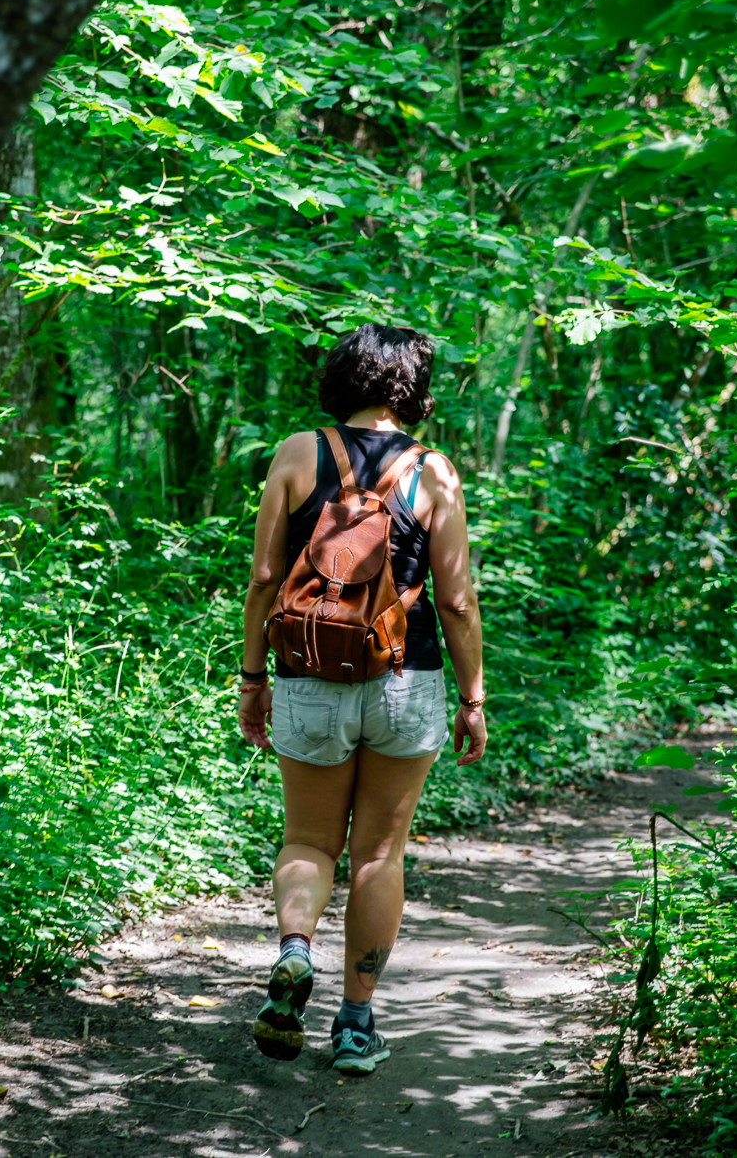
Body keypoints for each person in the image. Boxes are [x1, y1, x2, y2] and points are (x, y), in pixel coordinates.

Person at [236, 323, 488, 1075]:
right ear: (413, 389)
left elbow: (261, 582)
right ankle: (354, 1025)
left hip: (309, 675)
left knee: (309, 840)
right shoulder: (434, 471)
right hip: (405, 678)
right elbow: (458, 600)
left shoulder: (293, 453)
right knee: (379, 852)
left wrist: (253, 680)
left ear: (342, 377)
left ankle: (293, 952)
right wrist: (472, 697)